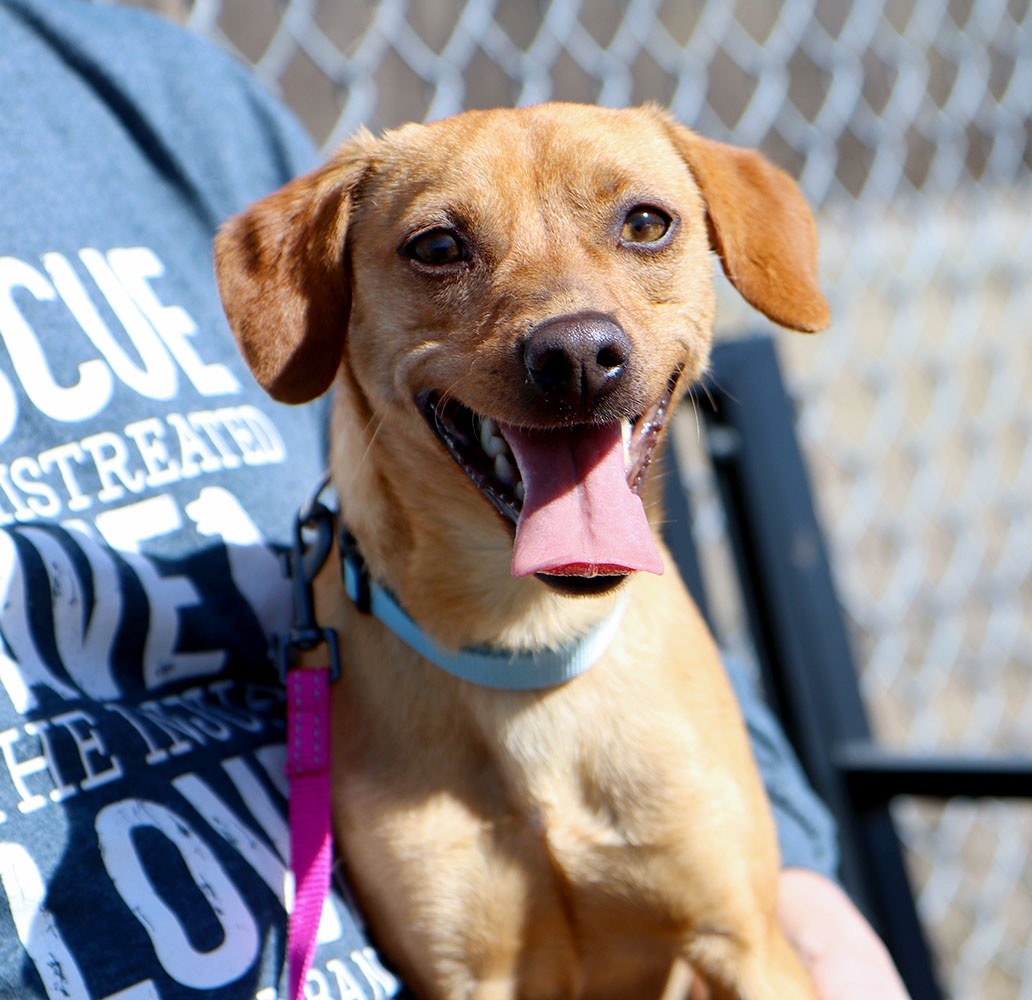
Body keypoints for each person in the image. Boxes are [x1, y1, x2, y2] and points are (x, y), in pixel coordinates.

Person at [0, 1, 907, 997]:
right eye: (441, 251)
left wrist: (816, 907)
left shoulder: (161, 88)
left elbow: (757, 954)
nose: (572, 328)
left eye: (642, 228)